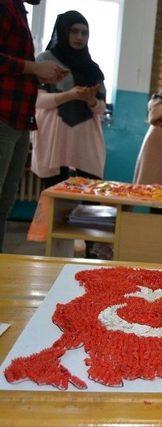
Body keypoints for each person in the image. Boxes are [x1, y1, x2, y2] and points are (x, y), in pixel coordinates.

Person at [0, 0, 67, 252]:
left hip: (17, 119)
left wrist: (37, 73)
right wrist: (33, 67)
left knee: (5, 203)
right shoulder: (5, 6)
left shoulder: (17, 10)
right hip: (4, 117)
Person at [31, 10, 107, 189]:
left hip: (84, 138)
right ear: (63, 31)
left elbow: (101, 108)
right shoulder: (45, 60)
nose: (79, 37)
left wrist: (91, 101)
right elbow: (37, 101)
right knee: (54, 199)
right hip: (53, 137)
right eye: (74, 31)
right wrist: (70, 95)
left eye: (84, 32)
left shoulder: (92, 68)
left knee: (90, 200)